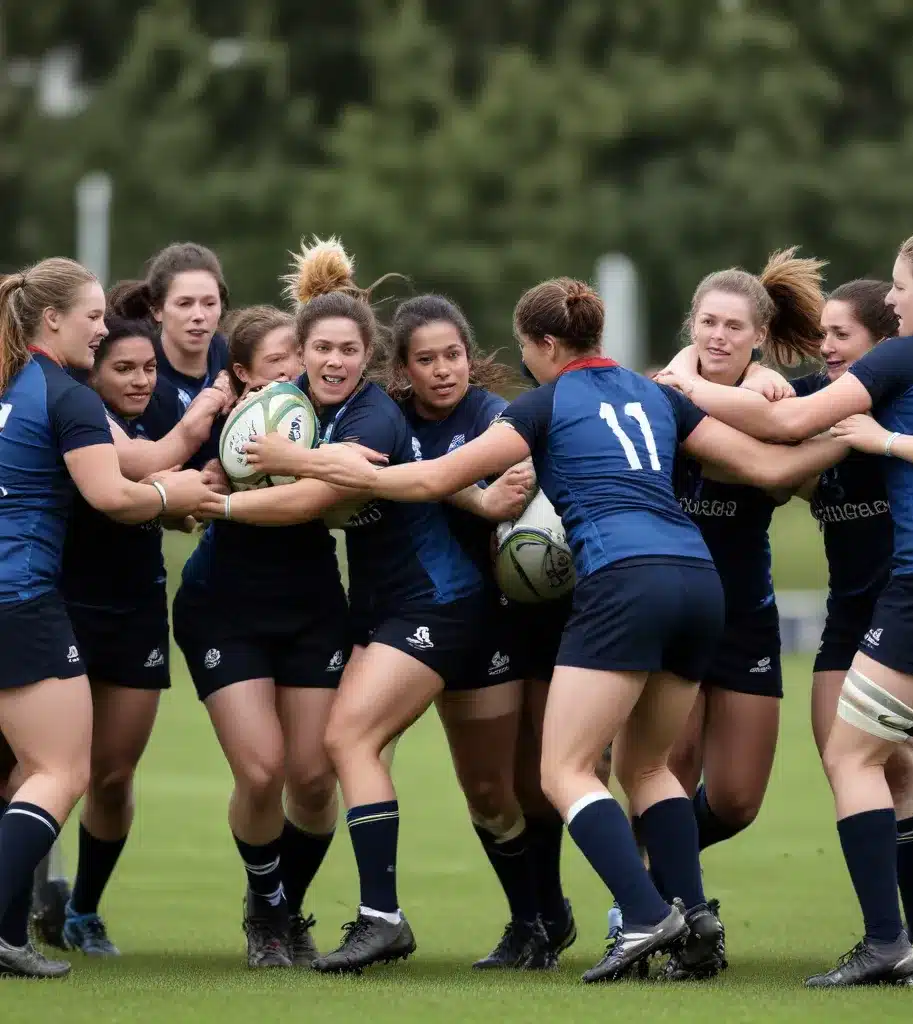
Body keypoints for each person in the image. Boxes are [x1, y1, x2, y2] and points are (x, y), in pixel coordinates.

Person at [261, 276, 852, 982]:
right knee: (647, 766)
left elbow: (425, 481)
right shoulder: (655, 393)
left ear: (545, 345)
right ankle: (694, 920)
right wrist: (858, 437)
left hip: (624, 583)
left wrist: (295, 460)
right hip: (700, 584)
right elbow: (770, 465)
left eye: (525, 349)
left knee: (563, 769)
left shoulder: (543, 405)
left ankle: (643, 913)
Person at [662, 229, 913, 987]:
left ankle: (898, 937)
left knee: (864, 758)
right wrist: (725, 385)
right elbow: (778, 435)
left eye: (893, 290)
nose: (827, 345)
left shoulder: (900, 368)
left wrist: (685, 388)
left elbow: (788, 432)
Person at [199, 238, 488, 975]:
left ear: (370, 359)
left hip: (432, 601)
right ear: (297, 353)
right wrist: (213, 465)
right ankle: (283, 912)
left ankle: (371, 917)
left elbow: (317, 499)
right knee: (296, 767)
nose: (334, 361)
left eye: (349, 350)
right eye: (321, 348)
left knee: (341, 753)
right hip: (361, 608)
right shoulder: (286, 407)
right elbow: (233, 454)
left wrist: (226, 503)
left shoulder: (374, 420)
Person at [0, 259, 212, 979]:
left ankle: (11, 937)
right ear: (51, 320)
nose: (103, 326)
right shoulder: (64, 393)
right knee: (63, 769)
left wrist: (178, 448)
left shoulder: (9, 383)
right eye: (92, 316)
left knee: (23, 770)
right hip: (20, 599)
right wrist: (171, 495)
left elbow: (137, 457)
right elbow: (111, 496)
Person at [384, 294, 575, 968]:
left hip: (532, 615)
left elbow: (529, 497)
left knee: (539, 781)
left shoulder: (501, 418)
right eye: (426, 360)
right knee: (489, 791)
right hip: (453, 618)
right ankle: (543, 915)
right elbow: (384, 471)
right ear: (403, 371)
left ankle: (537, 921)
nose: (443, 370)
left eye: (453, 356)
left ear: (472, 357)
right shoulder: (386, 420)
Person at [792, 280, 913, 974]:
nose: (828, 347)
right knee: (851, 763)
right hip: (845, 616)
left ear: (881, 344)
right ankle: (912, 934)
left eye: (843, 336)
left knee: (897, 768)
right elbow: (766, 415)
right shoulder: (817, 395)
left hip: (911, 613)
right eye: (823, 335)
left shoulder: (904, 400)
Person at [173, 304, 349, 969]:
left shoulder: (326, 415)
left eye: (297, 359)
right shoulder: (214, 422)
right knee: (261, 768)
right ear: (241, 373)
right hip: (225, 608)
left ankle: (280, 903)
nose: (295, 371)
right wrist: (196, 482)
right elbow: (155, 480)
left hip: (311, 609)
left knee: (311, 779)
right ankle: (269, 910)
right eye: (278, 362)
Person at [55, 312, 225, 957]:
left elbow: (172, 502)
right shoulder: (76, 419)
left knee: (113, 775)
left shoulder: (155, 427)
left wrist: (196, 496)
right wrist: (174, 479)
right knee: (40, 770)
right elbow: (135, 482)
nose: (139, 380)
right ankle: (26, 896)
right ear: (91, 374)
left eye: (148, 369)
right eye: (122, 368)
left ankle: (83, 910)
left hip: (136, 609)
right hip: (63, 605)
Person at [660, 250, 824, 890]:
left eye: (734, 327)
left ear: (759, 335)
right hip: (671, 607)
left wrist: (753, 405)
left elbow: (782, 476)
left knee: (736, 801)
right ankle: (657, 902)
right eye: (708, 323)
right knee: (669, 768)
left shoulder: (780, 402)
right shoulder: (656, 390)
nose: (718, 336)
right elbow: (740, 458)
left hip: (746, 610)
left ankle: (656, 870)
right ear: (690, 326)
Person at [124, 242, 231, 470]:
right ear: (157, 310)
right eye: (185, 303)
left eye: (209, 303)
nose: (199, 315)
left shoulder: (235, 360)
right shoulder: (134, 371)